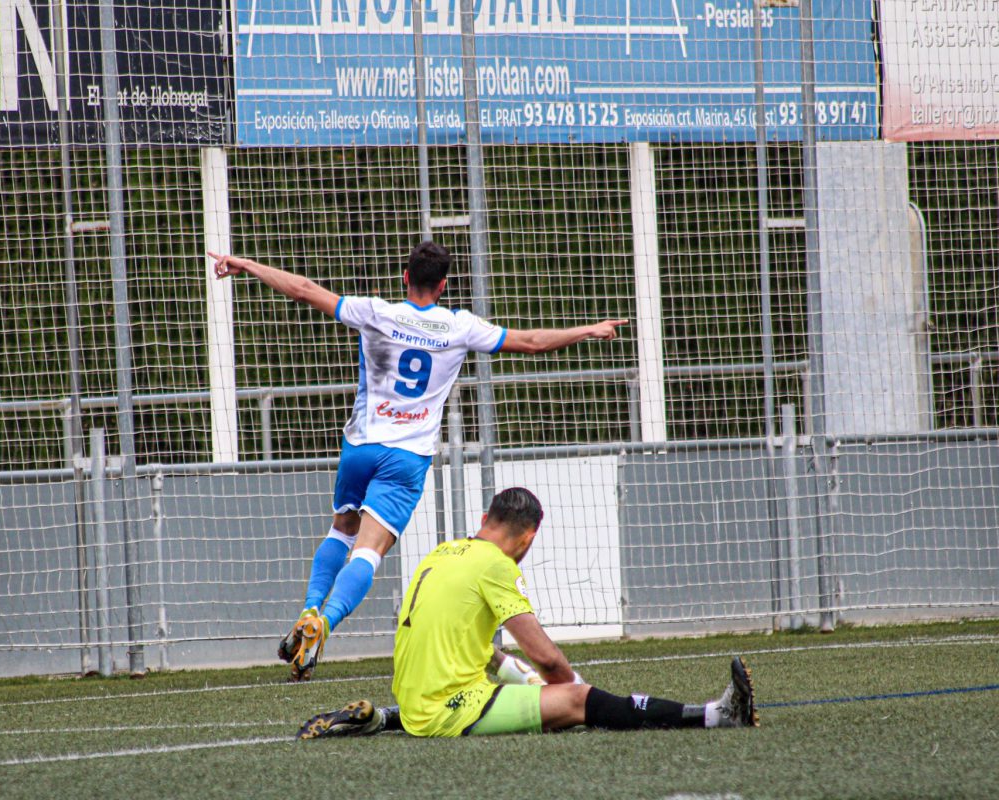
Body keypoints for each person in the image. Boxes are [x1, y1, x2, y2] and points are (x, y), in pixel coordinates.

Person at [210, 243, 627, 681]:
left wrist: (248, 264)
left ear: (405, 276)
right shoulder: (459, 326)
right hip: (406, 458)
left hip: (361, 446)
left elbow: (302, 289)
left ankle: (309, 610)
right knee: (368, 553)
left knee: (341, 530)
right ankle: (325, 623)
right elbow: (530, 343)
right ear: (443, 285)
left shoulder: (376, 312)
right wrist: (587, 329)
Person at [296, 487, 759, 739]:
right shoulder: (497, 565)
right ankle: (715, 716)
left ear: (484, 520)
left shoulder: (443, 552)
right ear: (528, 538)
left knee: (507, 673)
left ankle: (385, 719)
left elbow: (487, 655)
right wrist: (579, 695)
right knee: (578, 699)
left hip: (419, 696)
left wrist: (526, 681)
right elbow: (549, 660)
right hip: (450, 712)